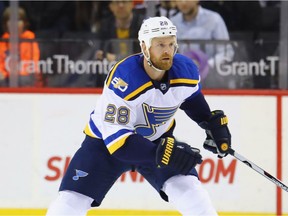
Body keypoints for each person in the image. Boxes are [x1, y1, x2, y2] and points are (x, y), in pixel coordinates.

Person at [46, 16, 231, 216]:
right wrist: (164, 153)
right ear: (144, 46)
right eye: (160, 45)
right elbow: (119, 143)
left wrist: (210, 124)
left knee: (193, 195)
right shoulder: (124, 79)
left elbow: (191, 99)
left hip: (157, 142)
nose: (167, 50)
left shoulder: (186, 70)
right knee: (71, 202)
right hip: (105, 144)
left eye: (171, 44)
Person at [170, 0, 234, 87]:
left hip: (212, 80)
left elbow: (226, 51)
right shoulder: (172, 23)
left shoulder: (214, 19)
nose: (183, 2)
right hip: (183, 78)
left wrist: (207, 65)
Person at [0, 7, 43, 87]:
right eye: (10, 20)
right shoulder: (3, 39)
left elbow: (33, 61)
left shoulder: (30, 37)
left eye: (18, 20)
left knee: (20, 79)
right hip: (8, 77)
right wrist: (3, 73)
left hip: (26, 75)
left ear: (24, 23)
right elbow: (1, 62)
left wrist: (16, 73)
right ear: (6, 23)